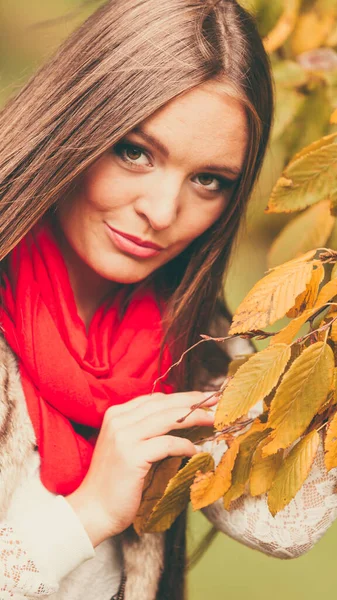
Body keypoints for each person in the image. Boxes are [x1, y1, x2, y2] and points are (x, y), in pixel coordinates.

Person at [0, 1, 336, 600]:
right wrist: (87, 514)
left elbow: (282, 522)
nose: (161, 212)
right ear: (74, 124)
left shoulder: (192, 332)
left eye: (209, 179)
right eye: (135, 151)